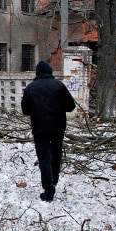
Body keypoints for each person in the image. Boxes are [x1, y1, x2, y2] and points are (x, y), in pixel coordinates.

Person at [21, 60, 76, 202]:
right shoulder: (59, 86)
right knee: (56, 155)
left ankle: (48, 188)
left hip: (39, 128)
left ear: (38, 73)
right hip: (58, 127)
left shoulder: (31, 88)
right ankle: (54, 181)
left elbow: (25, 110)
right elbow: (70, 106)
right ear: (50, 72)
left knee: (44, 158)